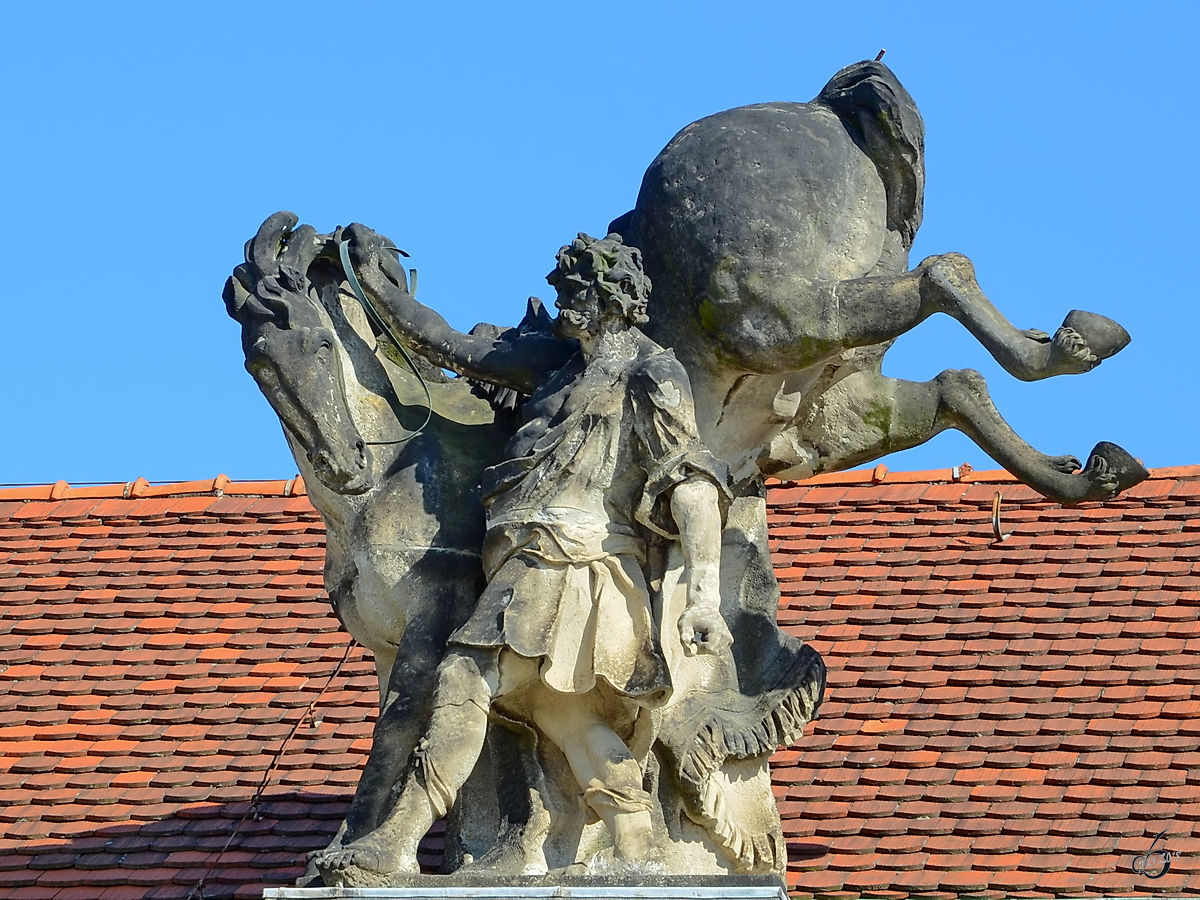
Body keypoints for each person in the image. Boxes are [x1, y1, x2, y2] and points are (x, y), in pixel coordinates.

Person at [319, 229, 733, 876]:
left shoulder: (651, 373)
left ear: (615, 298)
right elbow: (453, 345)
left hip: (575, 561)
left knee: (462, 675)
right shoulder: (552, 365)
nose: (561, 302)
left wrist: (703, 593)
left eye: (576, 292)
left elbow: (691, 483)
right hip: (525, 559)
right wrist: (375, 291)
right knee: (572, 722)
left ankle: (396, 840)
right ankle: (639, 844)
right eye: (562, 290)